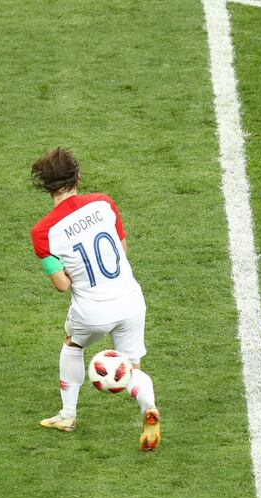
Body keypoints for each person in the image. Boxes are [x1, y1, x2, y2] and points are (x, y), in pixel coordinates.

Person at [29, 147, 160, 451]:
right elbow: (122, 250)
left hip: (92, 310)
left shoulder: (43, 232)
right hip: (130, 301)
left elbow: (61, 285)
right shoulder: (104, 203)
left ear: (46, 186)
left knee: (72, 345)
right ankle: (149, 407)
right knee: (132, 367)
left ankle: (67, 415)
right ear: (78, 177)